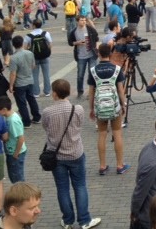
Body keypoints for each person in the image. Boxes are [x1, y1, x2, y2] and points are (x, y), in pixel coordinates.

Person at [42, 79, 101, 229]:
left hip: (57, 156)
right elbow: (79, 125)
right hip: (76, 153)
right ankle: (85, 220)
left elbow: (46, 128)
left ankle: (68, 221)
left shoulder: (47, 112)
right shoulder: (78, 109)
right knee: (80, 186)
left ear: (54, 93)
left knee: (62, 189)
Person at [88, 43, 130, 176]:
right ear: (110, 54)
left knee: (102, 134)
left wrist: (91, 108)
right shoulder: (117, 69)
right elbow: (120, 89)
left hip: (100, 108)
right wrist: (123, 104)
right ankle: (119, 165)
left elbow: (91, 92)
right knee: (117, 133)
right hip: (114, 106)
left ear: (98, 54)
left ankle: (102, 166)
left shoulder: (93, 71)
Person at [8, 36, 41, 127]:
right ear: (22, 43)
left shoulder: (14, 58)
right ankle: (36, 117)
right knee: (32, 99)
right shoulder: (30, 53)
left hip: (19, 83)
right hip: (30, 80)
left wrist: (11, 85)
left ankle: (26, 122)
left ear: (13, 45)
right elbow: (33, 66)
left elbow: (13, 73)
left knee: (21, 103)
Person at [0, 96, 26, 184]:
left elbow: (21, 138)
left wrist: (16, 153)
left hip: (14, 153)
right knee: (14, 175)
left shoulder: (12, 121)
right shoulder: (9, 117)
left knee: (17, 178)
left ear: (3, 109)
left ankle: (20, 195)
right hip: (12, 152)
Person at [68, 15, 99, 98]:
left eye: (85, 20)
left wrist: (95, 47)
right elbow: (70, 42)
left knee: (92, 74)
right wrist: (77, 43)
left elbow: (96, 38)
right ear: (77, 21)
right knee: (80, 75)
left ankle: (92, 92)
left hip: (91, 55)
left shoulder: (90, 29)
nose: (84, 22)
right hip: (81, 56)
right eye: (82, 20)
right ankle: (80, 91)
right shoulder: (74, 31)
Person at [24, 19, 52, 98]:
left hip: (34, 58)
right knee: (46, 74)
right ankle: (47, 92)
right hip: (45, 56)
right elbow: (50, 44)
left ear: (34, 25)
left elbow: (25, 48)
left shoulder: (28, 35)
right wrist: (48, 52)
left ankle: (36, 92)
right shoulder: (46, 33)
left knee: (35, 75)